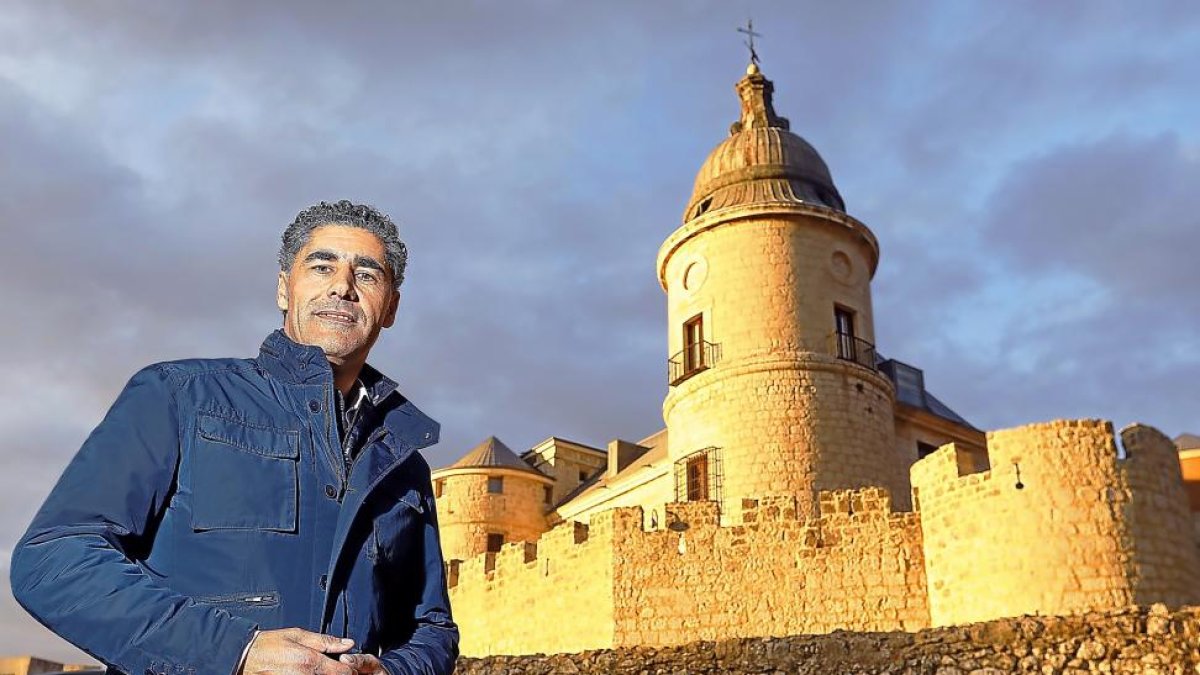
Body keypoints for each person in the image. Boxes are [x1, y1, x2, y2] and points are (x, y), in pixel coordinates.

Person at [10, 200, 458, 675]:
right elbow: (54, 559)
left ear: (390, 307)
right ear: (285, 289)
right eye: (322, 266)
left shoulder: (405, 466)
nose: (342, 287)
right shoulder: (178, 396)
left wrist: (391, 672)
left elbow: (431, 630)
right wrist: (236, 651)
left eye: (367, 275)